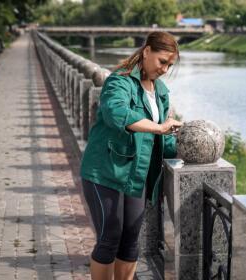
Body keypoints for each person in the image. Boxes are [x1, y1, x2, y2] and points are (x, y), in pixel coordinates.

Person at [80, 31, 183, 280]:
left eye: (170, 65)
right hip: (104, 171)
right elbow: (117, 113)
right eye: (162, 62)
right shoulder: (119, 81)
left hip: (136, 176)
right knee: (109, 238)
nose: (165, 69)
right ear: (146, 51)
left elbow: (164, 137)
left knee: (130, 242)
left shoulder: (161, 91)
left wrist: (183, 148)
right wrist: (158, 126)